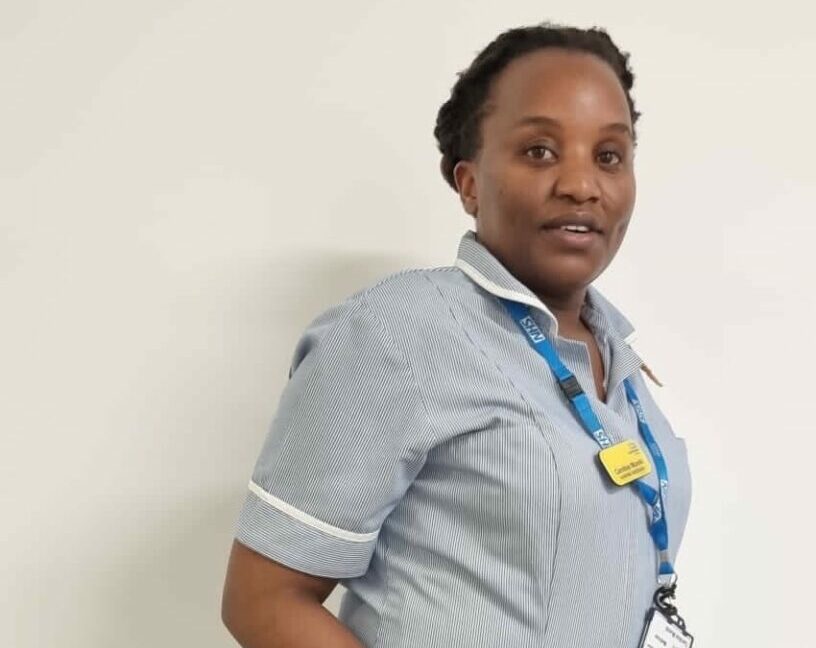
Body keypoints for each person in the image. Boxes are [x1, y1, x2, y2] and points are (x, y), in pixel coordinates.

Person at [221, 23, 692, 648]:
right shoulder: (395, 334)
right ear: (468, 182)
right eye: (540, 151)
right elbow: (262, 600)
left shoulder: (622, 363)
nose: (582, 185)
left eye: (609, 156)